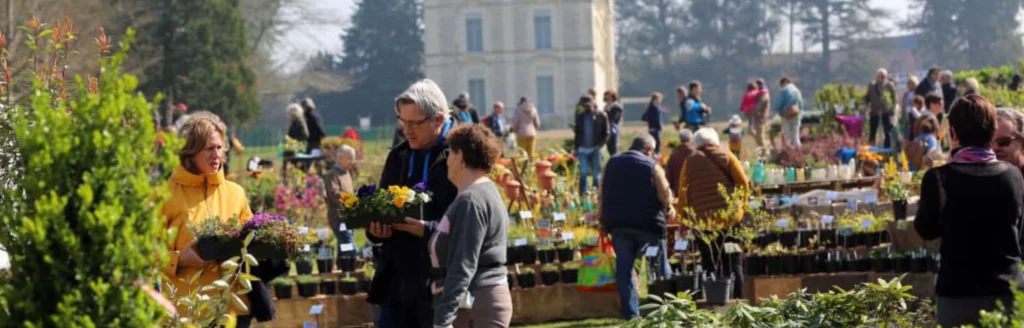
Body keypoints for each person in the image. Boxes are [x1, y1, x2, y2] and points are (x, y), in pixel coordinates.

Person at [915, 95, 1024, 328]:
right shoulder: (1013, 176)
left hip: (958, 294)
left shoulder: (939, 179)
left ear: (954, 133)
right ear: (992, 129)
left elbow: (926, 230)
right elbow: (1018, 228)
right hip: (1006, 290)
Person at [367, 79, 460, 328]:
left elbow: (470, 220)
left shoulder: (460, 155)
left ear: (438, 120)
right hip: (397, 279)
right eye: (402, 121)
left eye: (414, 123)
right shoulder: (398, 156)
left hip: (442, 279)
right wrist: (376, 231)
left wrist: (427, 229)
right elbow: (382, 205)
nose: (406, 131)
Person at [161, 111, 258, 327]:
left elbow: (252, 242)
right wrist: (178, 260)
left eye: (219, 147)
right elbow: (143, 254)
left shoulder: (236, 193)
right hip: (187, 311)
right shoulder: (165, 195)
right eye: (209, 148)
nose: (217, 154)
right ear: (190, 152)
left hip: (232, 308)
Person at [428, 124, 513, 328]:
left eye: (449, 153)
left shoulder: (471, 201)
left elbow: (462, 265)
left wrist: (442, 321)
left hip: (477, 306)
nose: (447, 160)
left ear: (460, 156)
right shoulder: (480, 192)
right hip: (476, 303)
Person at [598, 134, 675, 320]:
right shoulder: (651, 166)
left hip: (619, 226)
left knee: (624, 271)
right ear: (649, 150)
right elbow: (665, 193)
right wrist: (670, 207)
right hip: (649, 227)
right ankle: (662, 310)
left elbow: (601, 194)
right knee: (656, 269)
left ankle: (631, 314)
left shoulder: (611, 164)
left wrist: (602, 221)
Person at [677, 128, 750, 298]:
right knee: (734, 262)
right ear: (715, 141)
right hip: (730, 219)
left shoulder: (690, 161)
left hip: (703, 222)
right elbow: (744, 183)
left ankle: (714, 302)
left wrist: (683, 219)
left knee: (710, 262)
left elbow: (682, 192)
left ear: (696, 143)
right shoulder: (728, 155)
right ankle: (738, 301)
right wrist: (741, 208)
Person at [324, 145, 358, 252]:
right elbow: (335, 194)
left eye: (353, 158)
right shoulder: (332, 175)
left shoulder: (347, 173)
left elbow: (349, 192)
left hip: (349, 217)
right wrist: (351, 199)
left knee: (344, 248)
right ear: (340, 158)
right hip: (339, 218)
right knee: (350, 247)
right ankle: (355, 262)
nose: (353, 161)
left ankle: (342, 266)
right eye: (350, 158)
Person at [574, 95, 610, 195]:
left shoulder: (601, 115)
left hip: (595, 149)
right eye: (585, 104)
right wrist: (576, 147)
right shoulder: (580, 116)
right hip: (583, 149)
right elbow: (577, 132)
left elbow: (607, 132)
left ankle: (596, 195)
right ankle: (582, 194)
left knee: (596, 174)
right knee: (583, 172)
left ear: (593, 103)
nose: (587, 106)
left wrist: (600, 145)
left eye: (589, 104)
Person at [773, 77, 804, 148]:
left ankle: (791, 151)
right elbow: (801, 105)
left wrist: (778, 111)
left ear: (783, 83)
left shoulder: (784, 90)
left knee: (788, 134)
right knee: (795, 134)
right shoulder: (797, 90)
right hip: (797, 114)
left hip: (786, 114)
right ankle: (799, 150)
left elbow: (779, 103)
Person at [666, 129, 695, 198]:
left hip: (678, 189)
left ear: (680, 139)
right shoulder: (695, 153)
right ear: (691, 139)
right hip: (694, 189)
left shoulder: (674, 154)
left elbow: (668, 174)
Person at [750, 79, 771, 151]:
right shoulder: (762, 92)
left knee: (760, 136)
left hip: (761, 117)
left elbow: (760, 105)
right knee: (757, 135)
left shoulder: (763, 93)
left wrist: (753, 112)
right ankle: (762, 150)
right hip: (759, 117)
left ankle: (765, 151)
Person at [605, 90, 624, 155]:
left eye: (608, 95)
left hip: (612, 130)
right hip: (607, 130)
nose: (606, 97)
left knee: (613, 148)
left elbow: (613, 120)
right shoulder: (608, 106)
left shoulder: (616, 107)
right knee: (609, 148)